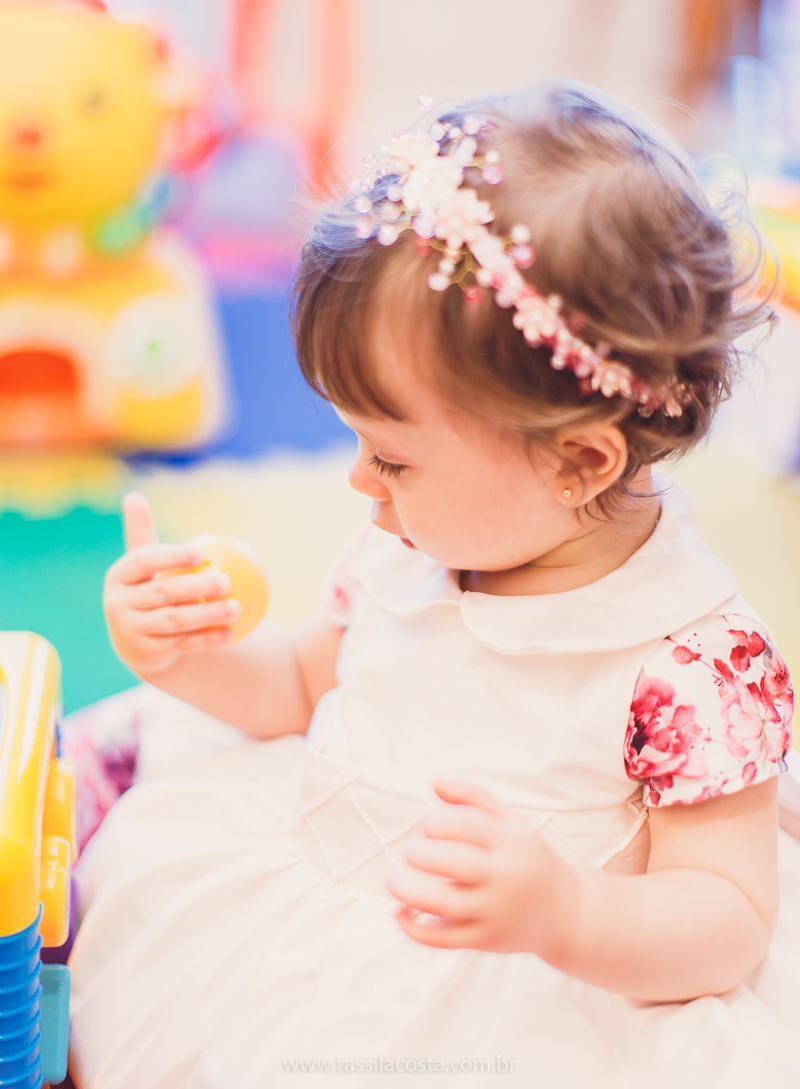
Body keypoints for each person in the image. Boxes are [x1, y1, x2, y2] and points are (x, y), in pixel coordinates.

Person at [66, 83, 800, 1088]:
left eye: (394, 460)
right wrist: (185, 653)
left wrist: (567, 912)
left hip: (544, 995)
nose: (359, 484)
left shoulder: (690, 659)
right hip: (312, 922)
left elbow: (725, 917)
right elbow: (297, 690)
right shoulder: (408, 545)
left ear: (577, 465)